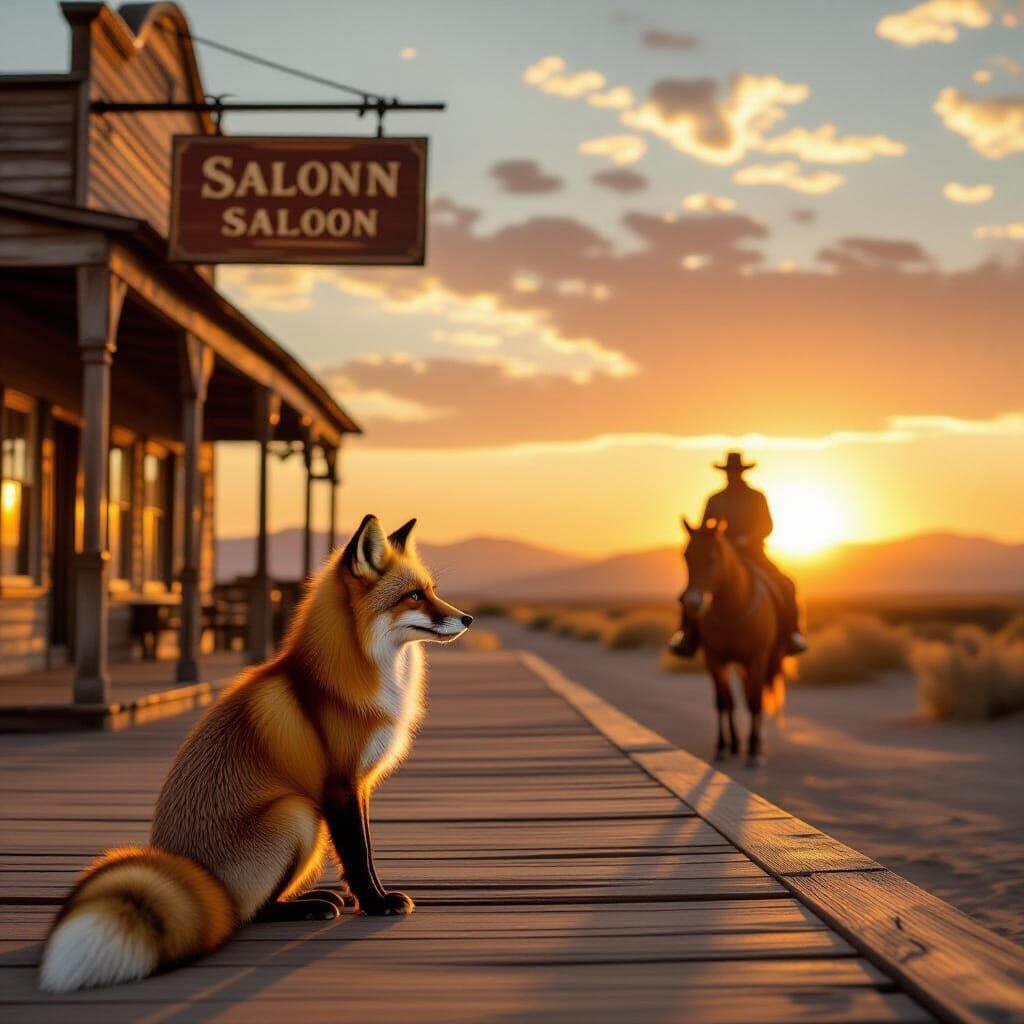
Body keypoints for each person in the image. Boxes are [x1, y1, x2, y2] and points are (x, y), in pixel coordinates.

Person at [675, 451, 808, 657]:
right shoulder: (715, 499)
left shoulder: (756, 497)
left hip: (753, 553)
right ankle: (686, 635)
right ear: (725, 473)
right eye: (729, 472)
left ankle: (791, 633)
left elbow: (767, 525)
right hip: (720, 556)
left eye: (736, 471)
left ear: (742, 472)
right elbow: (704, 530)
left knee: (785, 585)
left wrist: (747, 539)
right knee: (693, 591)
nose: (732, 475)